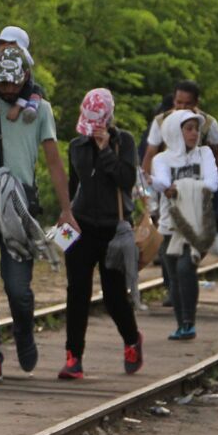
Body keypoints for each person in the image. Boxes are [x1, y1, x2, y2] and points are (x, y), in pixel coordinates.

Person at [0, 49, 75, 377]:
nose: (8, 90)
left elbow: (53, 161)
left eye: (14, 83)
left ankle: (24, 331)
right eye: (2, 84)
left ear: (25, 78)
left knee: (18, 289)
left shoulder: (40, 111)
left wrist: (66, 210)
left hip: (19, 209)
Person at [62, 88, 142, 380]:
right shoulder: (76, 145)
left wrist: (106, 150)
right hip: (81, 226)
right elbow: (73, 186)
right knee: (77, 292)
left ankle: (132, 339)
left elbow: (126, 179)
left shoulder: (126, 143)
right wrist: (66, 217)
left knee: (113, 295)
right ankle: (74, 356)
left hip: (113, 230)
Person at [151, 110, 218, 339]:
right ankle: (182, 324)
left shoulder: (205, 154)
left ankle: (190, 321)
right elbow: (160, 180)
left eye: (196, 129)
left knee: (185, 268)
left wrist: (179, 187)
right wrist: (168, 186)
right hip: (169, 225)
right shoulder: (162, 159)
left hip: (195, 226)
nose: (193, 134)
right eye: (188, 129)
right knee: (173, 278)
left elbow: (212, 182)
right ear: (175, 131)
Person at [140, 79, 218, 176]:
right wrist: (146, 182)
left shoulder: (208, 123)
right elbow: (150, 154)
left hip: (199, 178)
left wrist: (213, 175)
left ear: (196, 102)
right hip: (166, 177)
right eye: (179, 102)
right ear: (174, 101)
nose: (183, 107)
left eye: (188, 103)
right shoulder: (160, 122)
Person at [0, 26, 44, 126]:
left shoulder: (23, 65)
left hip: (21, 95)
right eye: (3, 43)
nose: (6, 46)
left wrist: (18, 106)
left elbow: (29, 85)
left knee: (36, 89)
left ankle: (32, 106)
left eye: (11, 44)